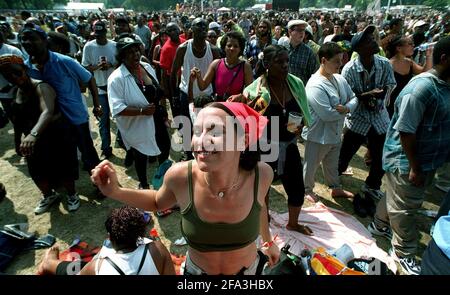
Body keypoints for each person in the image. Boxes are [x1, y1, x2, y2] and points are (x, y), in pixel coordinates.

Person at [91, 102, 280, 275]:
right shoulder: (180, 176)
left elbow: (259, 204)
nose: (201, 141)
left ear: (243, 141)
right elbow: (157, 201)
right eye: (197, 131)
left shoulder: (261, 175)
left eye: (214, 132)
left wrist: (268, 241)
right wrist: (116, 191)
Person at [369, 36, 450, 275]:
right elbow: (406, 131)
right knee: (406, 207)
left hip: (425, 159)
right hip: (408, 161)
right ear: (445, 58)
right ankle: (403, 252)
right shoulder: (421, 88)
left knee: (395, 196)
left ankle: (379, 225)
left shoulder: (444, 85)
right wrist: (414, 166)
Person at [20, 23, 102, 197]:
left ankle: (100, 185)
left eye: (32, 38)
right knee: (61, 156)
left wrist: (96, 104)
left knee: (88, 154)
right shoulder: (26, 67)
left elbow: (89, 79)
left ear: (43, 40)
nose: (27, 42)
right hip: (51, 122)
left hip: (74, 117)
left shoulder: (64, 61)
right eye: (23, 39)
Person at [239, 45, 314, 235]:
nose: (285, 65)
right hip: (263, 146)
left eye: (287, 61)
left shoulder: (295, 83)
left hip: (289, 145)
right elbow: (247, 121)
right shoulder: (254, 90)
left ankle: (293, 223)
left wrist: (300, 126)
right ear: (266, 64)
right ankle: (263, 219)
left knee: (296, 187)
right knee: (262, 187)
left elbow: (303, 109)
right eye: (279, 62)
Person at [0, 54, 79, 214]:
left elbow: (48, 111)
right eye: (9, 75)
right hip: (34, 142)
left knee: (64, 169)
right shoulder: (17, 92)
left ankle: (72, 195)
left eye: (17, 72)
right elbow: (18, 121)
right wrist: (18, 141)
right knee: (36, 171)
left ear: (25, 69)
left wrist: (33, 134)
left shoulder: (41, 87)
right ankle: (49, 195)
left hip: (55, 136)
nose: (15, 78)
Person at [338, 25, 396, 202]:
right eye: (368, 40)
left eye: (372, 39)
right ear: (359, 48)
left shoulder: (384, 63)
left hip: (379, 117)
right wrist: (366, 96)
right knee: (346, 152)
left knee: (380, 155)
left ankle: (372, 185)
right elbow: (347, 96)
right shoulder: (349, 69)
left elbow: (391, 84)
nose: (373, 41)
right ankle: (335, 179)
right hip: (358, 118)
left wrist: (382, 94)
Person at [108, 34, 169, 190]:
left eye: (137, 50)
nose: (136, 54)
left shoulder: (146, 67)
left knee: (165, 147)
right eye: (130, 52)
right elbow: (117, 109)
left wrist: (164, 114)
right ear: (122, 56)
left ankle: (163, 180)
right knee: (140, 155)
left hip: (156, 118)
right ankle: (144, 185)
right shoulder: (116, 78)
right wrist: (141, 111)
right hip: (137, 125)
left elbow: (158, 91)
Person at [38, 206, 175, 275]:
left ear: (109, 237)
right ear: (140, 234)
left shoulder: (97, 266)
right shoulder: (158, 250)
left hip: (96, 268)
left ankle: (48, 264)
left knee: (77, 268)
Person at [302, 42, 357, 203]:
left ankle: (335, 187)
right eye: (337, 61)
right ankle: (307, 189)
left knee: (332, 163)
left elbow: (354, 98)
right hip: (317, 134)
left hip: (335, 131)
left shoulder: (339, 78)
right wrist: (346, 110)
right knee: (311, 165)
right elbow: (327, 114)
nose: (340, 65)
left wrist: (346, 108)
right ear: (324, 60)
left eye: (341, 60)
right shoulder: (314, 85)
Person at [82, 20, 117, 159]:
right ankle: (106, 148)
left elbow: (120, 62)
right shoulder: (89, 47)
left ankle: (123, 142)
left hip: (115, 88)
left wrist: (111, 64)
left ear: (105, 32)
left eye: (101, 34)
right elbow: (84, 67)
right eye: (97, 35)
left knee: (119, 117)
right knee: (103, 120)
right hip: (99, 89)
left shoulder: (113, 45)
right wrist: (97, 66)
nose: (99, 37)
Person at [193, 31, 253, 101]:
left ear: (240, 49)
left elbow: (250, 93)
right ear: (224, 47)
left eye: (236, 46)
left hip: (235, 107)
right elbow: (202, 86)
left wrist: (240, 96)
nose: (232, 48)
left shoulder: (245, 67)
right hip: (218, 106)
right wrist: (199, 76)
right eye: (229, 45)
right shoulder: (216, 64)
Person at [386, 36, 432, 117]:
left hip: (405, 103)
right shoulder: (388, 65)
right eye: (410, 44)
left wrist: (428, 57)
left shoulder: (409, 62)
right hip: (390, 106)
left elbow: (425, 72)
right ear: (399, 48)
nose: (413, 46)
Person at [286, 20, 319, 85]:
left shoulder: (308, 52)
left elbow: (313, 75)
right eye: (299, 30)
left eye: (303, 30)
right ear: (290, 32)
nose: (302, 33)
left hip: (301, 91)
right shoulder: (282, 48)